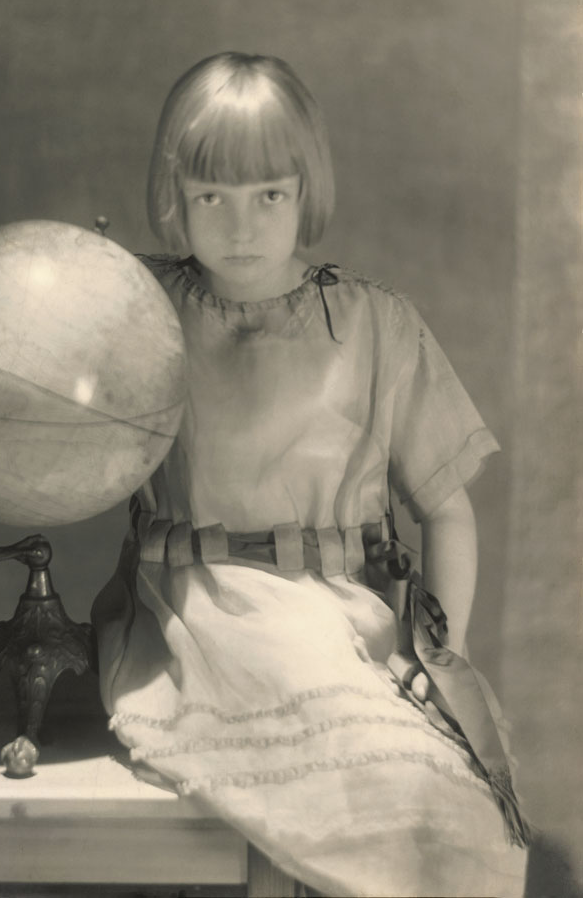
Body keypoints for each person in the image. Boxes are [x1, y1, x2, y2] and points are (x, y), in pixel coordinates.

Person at [92, 52, 528, 897]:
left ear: (306, 192)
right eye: (210, 196)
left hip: (349, 615)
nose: (240, 227)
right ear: (174, 197)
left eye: (269, 196)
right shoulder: (145, 309)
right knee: (336, 779)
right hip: (198, 614)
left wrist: (441, 648)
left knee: (438, 803)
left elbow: (449, 510)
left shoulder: (374, 322)